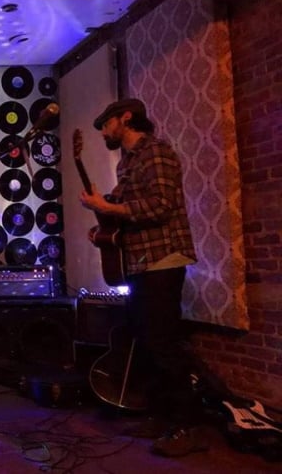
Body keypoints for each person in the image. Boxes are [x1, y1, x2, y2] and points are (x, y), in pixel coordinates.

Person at [79, 98, 205, 458]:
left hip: (163, 259)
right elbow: (120, 209)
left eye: (106, 123)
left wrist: (108, 208)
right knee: (147, 343)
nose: (103, 131)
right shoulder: (129, 162)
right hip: (140, 262)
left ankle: (189, 427)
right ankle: (163, 417)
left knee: (165, 344)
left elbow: (161, 205)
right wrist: (99, 220)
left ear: (126, 118)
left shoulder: (156, 153)